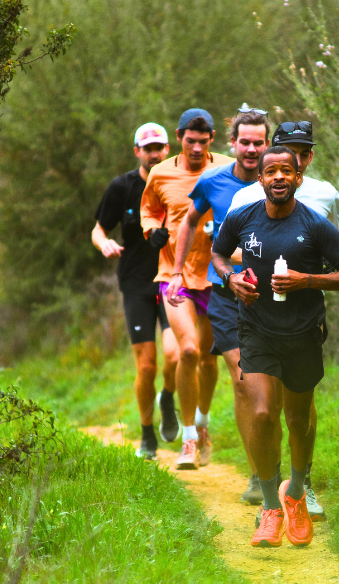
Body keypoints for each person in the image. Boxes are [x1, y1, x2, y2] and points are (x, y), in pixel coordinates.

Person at [211, 146, 339, 547]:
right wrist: (230, 279)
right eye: (271, 171)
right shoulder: (242, 217)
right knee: (262, 413)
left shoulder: (315, 225)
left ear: (298, 177)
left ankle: (294, 493)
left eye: (286, 170)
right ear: (260, 178)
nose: (278, 176)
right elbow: (218, 254)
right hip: (256, 329)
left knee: (298, 421)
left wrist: (306, 280)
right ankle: (269, 508)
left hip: (303, 332)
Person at [167, 107, 270, 502]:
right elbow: (189, 221)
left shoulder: (277, 181)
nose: (251, 149)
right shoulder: (213, 182)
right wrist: (177, 271)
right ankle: (258, 474)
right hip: (225, 292)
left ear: (267, 144)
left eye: (258, 143)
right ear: (232, 143)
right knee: (242, 381)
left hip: (268, 293)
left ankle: (278, 468)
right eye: (245, 142)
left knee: (269, 388)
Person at [140, 109, 234, 469]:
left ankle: (203, 424)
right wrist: (153, 231)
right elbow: (149, 211)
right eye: (190, 141)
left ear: (212, 139)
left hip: (215, 274)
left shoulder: (226, 167)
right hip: (173, 273)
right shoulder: (161, 172)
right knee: (189, 351)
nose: (196, 148)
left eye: (203, 141)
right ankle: (189, 439)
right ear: (179, 137)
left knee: (209, 357)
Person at [91, 122, 180, 460]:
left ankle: (167, 398)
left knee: (175, 355)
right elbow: (98, 230)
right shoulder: (122, 187)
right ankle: (147, 435)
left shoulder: (178, 182)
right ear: (137, 152)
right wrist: (104, 244)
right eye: (148, 149)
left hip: (172, 279)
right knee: (146, 366)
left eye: (159, 147)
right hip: (136, 283)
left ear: (167, 149)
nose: (154, 154)